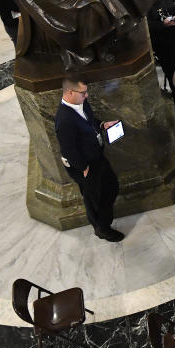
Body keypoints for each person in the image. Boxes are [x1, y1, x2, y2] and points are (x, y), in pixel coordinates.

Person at [54, 78, 123, 241]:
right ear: (70, 92)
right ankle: (102, 228)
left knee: (111, 187)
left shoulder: (81, 103)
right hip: (86, 166)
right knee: (95, 199)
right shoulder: (64, 120)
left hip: (97, 157)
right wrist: (84, 168)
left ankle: (102, 221)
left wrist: (102, 125)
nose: (87, 95)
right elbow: (68, 149)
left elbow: (90, 121)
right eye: (83, 93)